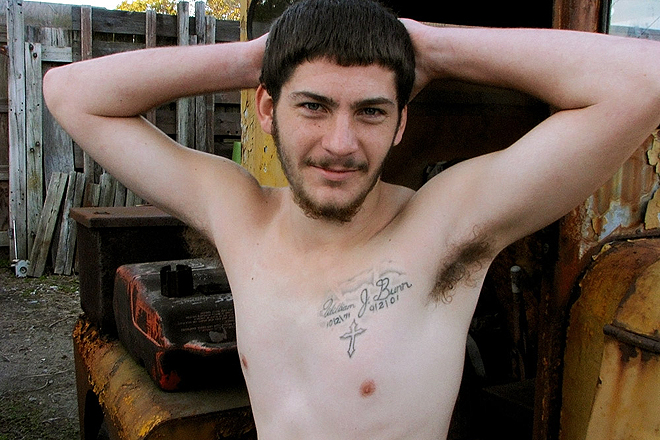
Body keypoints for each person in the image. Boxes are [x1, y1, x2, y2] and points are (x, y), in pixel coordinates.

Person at [43, 0, 660, 438]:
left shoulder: (444, 227)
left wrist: (430, 47)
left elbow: (644, 81)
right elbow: (72, 94)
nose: (340, 144)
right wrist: (258, 55)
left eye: (370, 111)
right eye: (313, 105)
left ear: (401, 122)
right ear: (266, 109)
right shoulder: (239, 214)